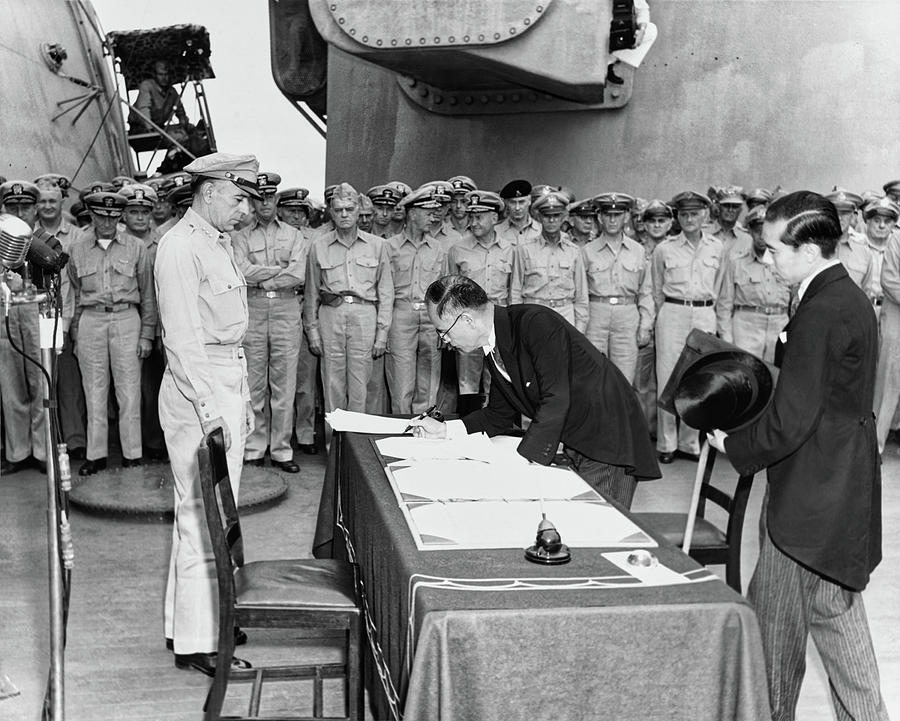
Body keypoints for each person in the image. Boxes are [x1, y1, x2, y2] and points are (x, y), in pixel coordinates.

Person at [711, 190, 888, 721]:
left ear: (809, 251)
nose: (766, 257)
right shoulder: (844, 295)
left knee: (774, 641)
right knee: (836, 616)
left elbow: (795, 417)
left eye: (773, 249)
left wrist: (734, 444)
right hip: (840, 489)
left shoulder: (822, 311)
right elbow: (815, 399)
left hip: (809, 502)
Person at [409, 275, 660, 509]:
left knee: (598, 528)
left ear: (466, 320)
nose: (445, 340)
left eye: (444, 331)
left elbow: (556, 399)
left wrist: (521, 460)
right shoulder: (495, 344)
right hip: (578, 437)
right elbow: (499, 415)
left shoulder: (536, 323)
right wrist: (446, 430)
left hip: (608, 437)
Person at [156, 151, 260, 676]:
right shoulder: (179, 247)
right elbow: (182, 340)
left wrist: (240, 402)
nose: (244, 209)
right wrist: (209, 410)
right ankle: (201, 641)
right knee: (203, 516)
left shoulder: (217, 243)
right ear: (212, 188)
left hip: (224, 381)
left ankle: (194, 621)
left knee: (213, 513)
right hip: (197, 388)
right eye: (239, 197)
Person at [68, 191, 157, 475]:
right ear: (91, 215)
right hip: (91, 320)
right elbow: (75, 290)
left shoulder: (135, 247)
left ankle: (132, 455)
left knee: (129, 391)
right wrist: (75, 332)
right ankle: (96, 455)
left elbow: (147, 294)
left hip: (126, 319)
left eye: (112, 216)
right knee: (94, 390)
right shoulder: (77, 248)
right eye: (100, 216)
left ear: (119, 216)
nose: (106, 222)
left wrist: (146, 334)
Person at [233, 171, 309, 472]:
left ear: (276, 200)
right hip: (252, 309)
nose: (264, 203)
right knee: (253, 383)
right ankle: (254, 447)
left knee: (284, 384)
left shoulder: (294, 235)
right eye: (258, 198)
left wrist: (260, 275)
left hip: (285, 310)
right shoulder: (239, 236)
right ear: (252, 201)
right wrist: (275, 273)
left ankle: (281, 450)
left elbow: (297, 274)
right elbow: (240, 270)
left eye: (269, 197)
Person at [304, 183, 393, 414]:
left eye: (350, 209)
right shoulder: (318, 246)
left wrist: (382, 334)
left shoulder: (378, 246)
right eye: (339, 209)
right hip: (331, 315)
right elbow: (312, 292)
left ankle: (357, 447)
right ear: (331, 213)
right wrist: (312, 331)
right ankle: (334, 446)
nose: (344, 214)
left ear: (358, 212)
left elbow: (386, 292)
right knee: (332, 383)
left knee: (361, 385)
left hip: (364, 315)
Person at [651, 190, 725, 463]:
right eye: (684, 214)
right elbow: (656, 288)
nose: (690, 219)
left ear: (704, 215)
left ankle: (689, 442)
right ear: (677, 217)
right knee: (668, 377)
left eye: (694, 213)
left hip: (704, 312)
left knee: (698, 378)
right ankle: (667, 444)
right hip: (673, 311)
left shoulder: (717, 247)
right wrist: (665, 314)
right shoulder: (664, 249)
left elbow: (722, 288)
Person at [0, 181, 54, 474]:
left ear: (36, 209)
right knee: (11, 387)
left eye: (25, 206)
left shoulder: (45, 240)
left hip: (36, 314)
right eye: (12, 207)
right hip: (5, 313)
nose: (19, 211)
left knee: (40, 382)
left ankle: (43, 451)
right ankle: (18, 453)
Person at [446, 190, 515, 415]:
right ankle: (468, 426)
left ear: (494, 218)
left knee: (498, 379)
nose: (473, 222)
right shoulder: (457, 250)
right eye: (471, 216)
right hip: (468, 324)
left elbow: (514, 290)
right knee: (467, 381)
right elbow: (448, 295)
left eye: (479, 217)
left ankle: (495, 428)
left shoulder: (511, 250)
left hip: (498, 323)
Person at [385, 186, 449, 414]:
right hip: (401, 316)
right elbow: (384, 290)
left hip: (431, 318)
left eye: (435, 212)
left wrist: (443, 327)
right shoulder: (390, 247)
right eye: (427, 212)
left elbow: (443, 291)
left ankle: (424, 434)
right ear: (412, 214)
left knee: (429, 384)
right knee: (402, 385)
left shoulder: (438, 249)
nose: (433, 217)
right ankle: (400, 434)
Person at [581, 192, 653, 383]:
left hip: (627, 316)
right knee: (592, 376)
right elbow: (580, 293)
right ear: (599, 217)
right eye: (607, 215)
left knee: (624, 378)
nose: (612, 220)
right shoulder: (587, 251)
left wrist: (645, 325)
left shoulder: (638, 251)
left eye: (617, 215)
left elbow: (646, 291)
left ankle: (620, 414)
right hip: (595, 316)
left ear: (626, 216)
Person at [715, 205, 791, 363]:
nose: (762, 237)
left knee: (776, 377)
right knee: (745, 375)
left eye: (767, 232)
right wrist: (726, 338)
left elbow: (797, 302)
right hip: (746, 329)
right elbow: (724, 304)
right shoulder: (737, 263)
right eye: (758, 231)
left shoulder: (787, 264)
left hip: (779, 327)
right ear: (750, 232)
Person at [275, 187, 318, 455]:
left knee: (305, 380)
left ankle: (305, 434)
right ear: (281, 211)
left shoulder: (315, 239)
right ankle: (279, 437)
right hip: (283, 304)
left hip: (308, 306)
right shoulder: (278, 236)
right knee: (279, 379)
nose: (297, 217)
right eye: (291, 211)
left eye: (301, 212)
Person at [510, 190, 588, 332]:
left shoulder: (574, 251)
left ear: (564, 217)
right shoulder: (524, 250)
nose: (551, 221)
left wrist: (580, 329)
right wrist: (517, 323)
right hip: (533, 314)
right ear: (539, 217)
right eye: (547, 216)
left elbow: (581, 295)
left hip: (565, 315)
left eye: (556, 215)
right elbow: (515, 292)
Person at [132, 60, 190, 131]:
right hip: (140, 128)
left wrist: (184, 121)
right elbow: (144, 110)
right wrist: (150, 129)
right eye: (161, 74)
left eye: (166, 74)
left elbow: (180, 110)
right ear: (155, 75)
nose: (164, 78)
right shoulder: (147, 86)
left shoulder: (172, 91)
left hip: (159, 127)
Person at [495, 179, 541, 246]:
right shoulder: (496, 231)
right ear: (506, 203)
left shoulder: (541, 229)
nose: (517, 208)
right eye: (513, 202)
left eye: (521, 202)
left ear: (529, 201)